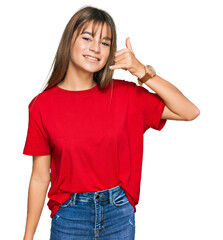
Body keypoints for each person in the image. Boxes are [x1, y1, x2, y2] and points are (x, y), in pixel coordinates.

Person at [22, 5, 200, 240]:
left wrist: (140, 70)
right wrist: (28, 237)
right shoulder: (42, 105)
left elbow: (189, 111)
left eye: (105, 43)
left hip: (118, 213)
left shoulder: (126, 95)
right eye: (87, 38)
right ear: (69, 40)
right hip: (69, 216)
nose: (96, 48)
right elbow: (39, 177)